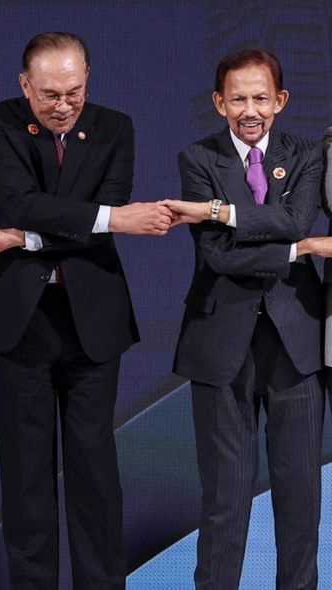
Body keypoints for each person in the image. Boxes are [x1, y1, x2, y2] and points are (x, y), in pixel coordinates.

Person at [0, 32, 172, 590]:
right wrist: (109, 219)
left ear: (87, 81)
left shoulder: (114, 127)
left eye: (74, 92)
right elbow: (20, 203)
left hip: (93, 318)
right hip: (18, 319)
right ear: (25, 85)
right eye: (50, 94)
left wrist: (22, 239)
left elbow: (95, 208)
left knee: (95, 472)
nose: (63, 106)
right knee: (26, 477)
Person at [161, 49, 324, 590]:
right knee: (225, 498)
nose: (249, 110)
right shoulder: (197, 158)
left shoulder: (306, 154)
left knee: (300, 496)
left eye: (260, 98)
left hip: (296, 341)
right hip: (219, 342)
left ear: (280, 100)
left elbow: (296, 217)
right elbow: (219, 255)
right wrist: (301, 248)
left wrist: (221, 211)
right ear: (218, 102)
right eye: (237, 99)